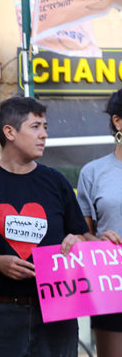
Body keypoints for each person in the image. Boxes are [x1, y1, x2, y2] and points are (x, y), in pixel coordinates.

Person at [0, 96, 92, 357]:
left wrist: (79, 242)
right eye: (36, 127)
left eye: (46, 127)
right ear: (9, 132)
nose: (44, 135)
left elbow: (82, 236)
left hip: (57, 316)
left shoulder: (56, 181)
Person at [76, 88, 122, 357]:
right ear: (118, 121)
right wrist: (98, 242)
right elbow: (83, 235)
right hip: (111, 285)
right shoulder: (93, 172)